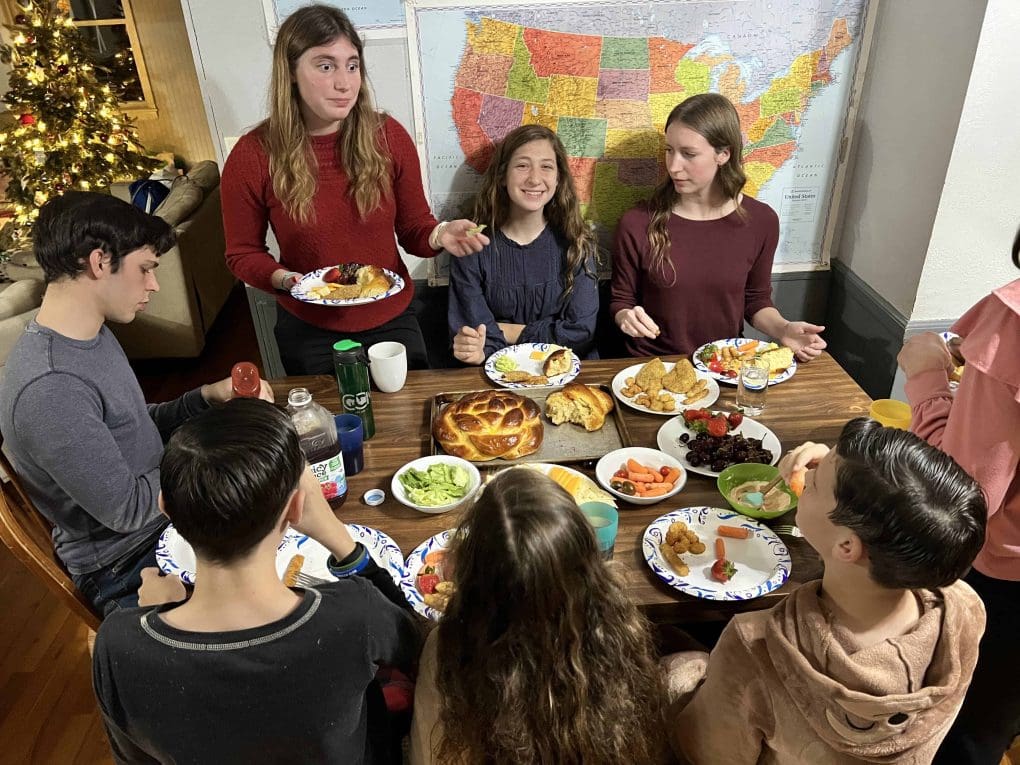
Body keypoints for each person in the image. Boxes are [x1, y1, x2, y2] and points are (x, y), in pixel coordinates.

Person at [92, 398, 419, 764]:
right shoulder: (356, 614)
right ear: (296, 509)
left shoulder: (114, 644)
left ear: (166, 507)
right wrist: (339, 538)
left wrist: (155, 614)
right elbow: (417, 643)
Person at [0, 191, 272, 616]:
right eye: (145, 269)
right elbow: (126, 510)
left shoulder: (89, 335)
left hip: (163, 523)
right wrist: (219, 460)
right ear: (99, 262)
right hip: (126, 563)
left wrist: (207, 398)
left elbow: (133, 429)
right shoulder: (50, 387)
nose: (154, 284)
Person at [666, 418, 987, 764]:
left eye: (813, 484)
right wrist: (845, 469)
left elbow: (701, 754)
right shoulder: (966, 608)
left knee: (675, 657)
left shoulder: (754, 647)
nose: (804, 483)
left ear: (847, 546)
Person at [222, 4, 489, 374]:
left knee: (408, 424)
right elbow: (242, 253)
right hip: (308, 328)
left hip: (392, 318)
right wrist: (286, 281)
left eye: (352, 65)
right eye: (325, 65)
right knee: (329, 430)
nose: (344, 83)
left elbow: (414, 231)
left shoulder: (388, 137)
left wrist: (442, 234)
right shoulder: (253, 155)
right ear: (291, 73)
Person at [409, 468, 670, 765]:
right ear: (587, 562)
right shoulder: (618, 630)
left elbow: (427, 754)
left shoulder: (447, 649)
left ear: (471, 572)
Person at [898, 228, 1020, 764]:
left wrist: (927, 378)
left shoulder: (1014, 319)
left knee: (962, 732)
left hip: (1004, 582)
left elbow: (964, 494)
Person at [610, 92, 826, 360]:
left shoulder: (761, 221)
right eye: (669, 151)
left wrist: (783, 329)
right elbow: (621, 300)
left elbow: (755, 300)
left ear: (723, 154)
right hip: (653, 369)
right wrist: (625, 317)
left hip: (723, 364)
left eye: (688, 154)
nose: (674, 166)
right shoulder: (637, 222)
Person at [448, 124, 598, 363]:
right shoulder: (471, 245)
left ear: (558, 179)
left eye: (546, 167)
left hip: (569, 375)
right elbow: (478, 336)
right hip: (497, 375)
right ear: (502, 176)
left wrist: (505, 331)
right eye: (522, 165)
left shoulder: (577, 242)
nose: (535, 178)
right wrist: (478, 349)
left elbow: (579, 333)